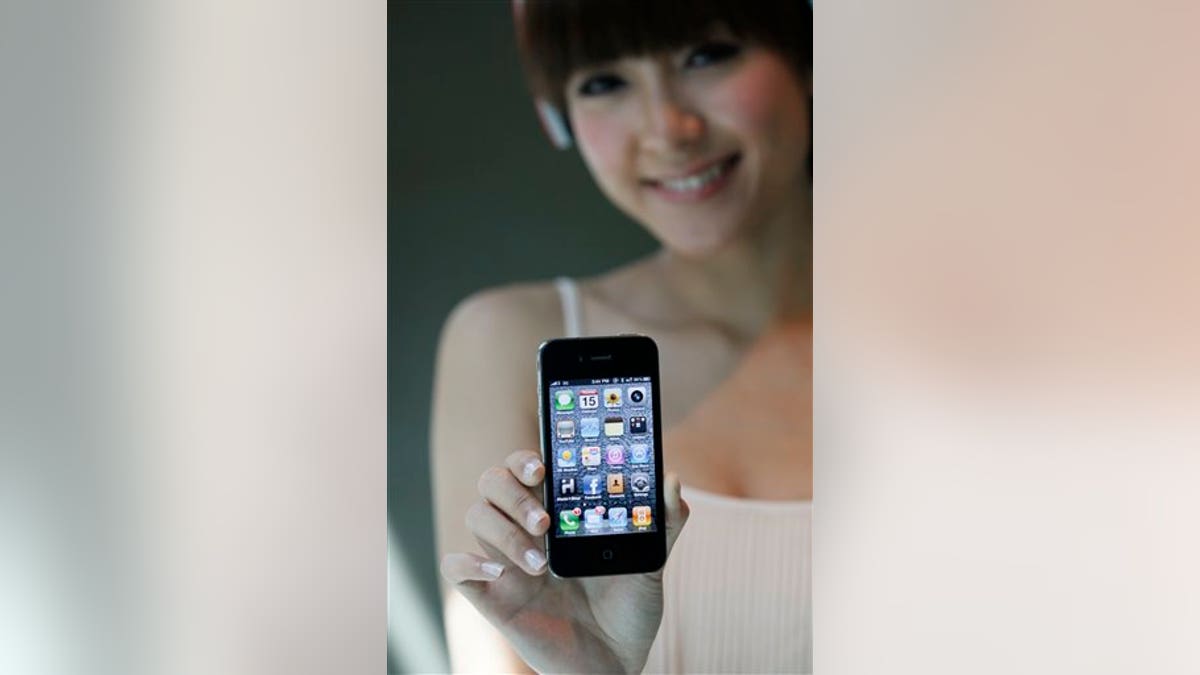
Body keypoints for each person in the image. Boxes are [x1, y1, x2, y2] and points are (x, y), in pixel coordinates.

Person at [432, 1, 812, 671]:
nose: (668, 130)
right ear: (559, 120)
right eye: (603, 82)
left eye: (707, 54)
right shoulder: (506, 342)